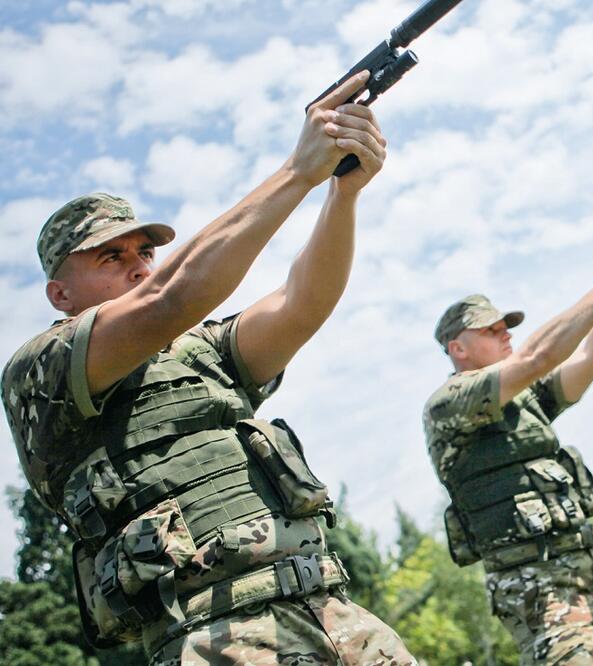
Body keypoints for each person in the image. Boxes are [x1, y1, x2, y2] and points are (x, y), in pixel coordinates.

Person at [2, 72, 416, 665]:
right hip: (213, 635)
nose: (139, 267)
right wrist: (298, 171)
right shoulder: (40, 372)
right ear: (60, 294)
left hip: (332, 612)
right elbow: (172, 297)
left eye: (145, 252)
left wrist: (340, 192)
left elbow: (302, 303)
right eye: (110, 257)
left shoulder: (198, 349)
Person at [423, 231, 593, 665]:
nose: (506, 335)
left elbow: (592, 359)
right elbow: (537, 357)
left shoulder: (524, 396)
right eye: (491, 330)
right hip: (534, 585)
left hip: (591, 563)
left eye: (507, 327)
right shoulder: (448, 404)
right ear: (458, 349)